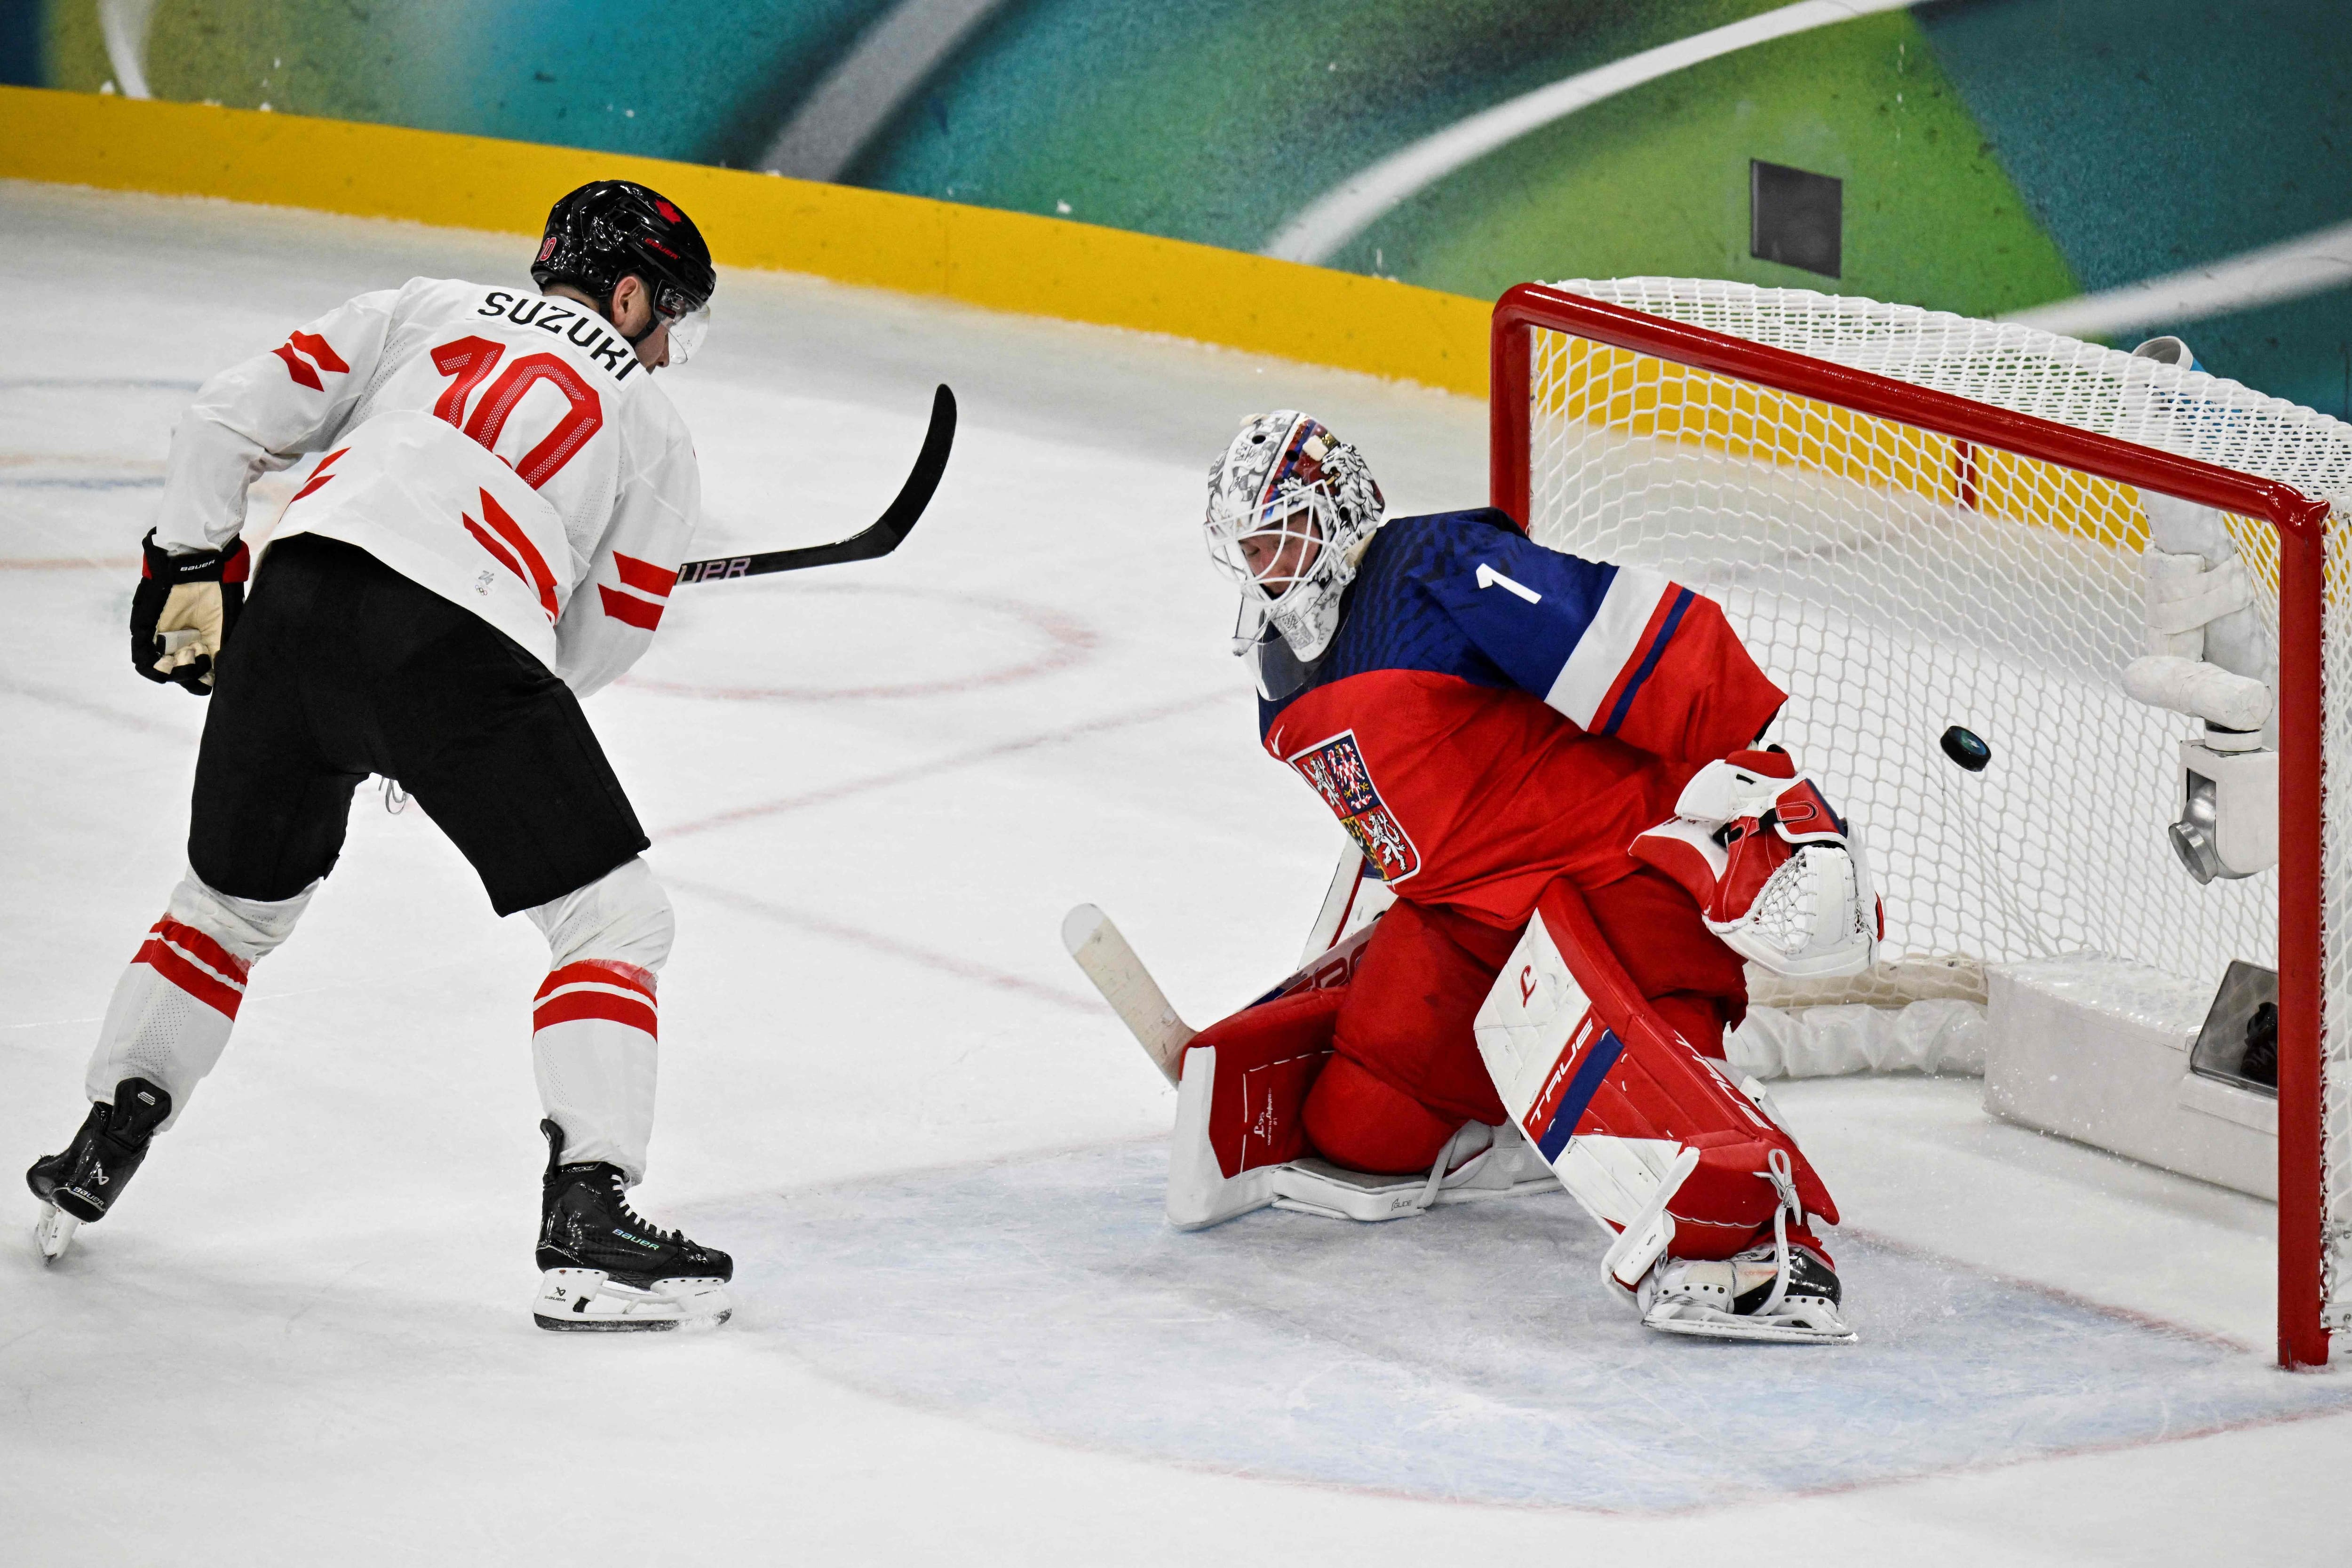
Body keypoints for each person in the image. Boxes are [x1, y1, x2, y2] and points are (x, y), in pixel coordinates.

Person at [26, 180, 734, 1332]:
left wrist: (189, 565)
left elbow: (222, 418)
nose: (665, 356)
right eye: (672, 322)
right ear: (628, 292)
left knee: (223, 909)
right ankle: (589, 1220)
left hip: (297, 598)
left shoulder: (427, 306)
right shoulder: (652, 428)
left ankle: (101, 1142)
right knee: (614, 922)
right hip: (456, 647)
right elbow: (603, 640)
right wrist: (461, 696)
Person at [1182, 410, 1879, 1343]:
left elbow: (1636, 646)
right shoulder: (1281, 668)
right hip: (1460, 914)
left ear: (1341, 511)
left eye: (1283, 532)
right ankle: (1513, 1117)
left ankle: (1768, 1242)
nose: (1269, 564)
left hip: (1604, 867)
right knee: (1358, 1128)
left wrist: (1760, 798)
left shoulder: (1438, 568)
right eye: (1251, 547)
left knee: (1651, 1083)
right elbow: (1385, 820)